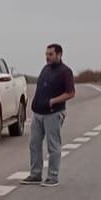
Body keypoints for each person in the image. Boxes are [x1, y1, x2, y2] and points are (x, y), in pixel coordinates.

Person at [23, 43, 76, 187]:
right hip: (38, 113)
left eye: (51, 54)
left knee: (53, 145)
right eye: (46, 54)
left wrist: (53, 101)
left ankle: (53, 176)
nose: (47, 57)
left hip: (53, 113)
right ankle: (35, 174)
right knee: (34, 144)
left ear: (59, 55)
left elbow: (71, 93)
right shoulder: (45, 69)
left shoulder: (65, 71)